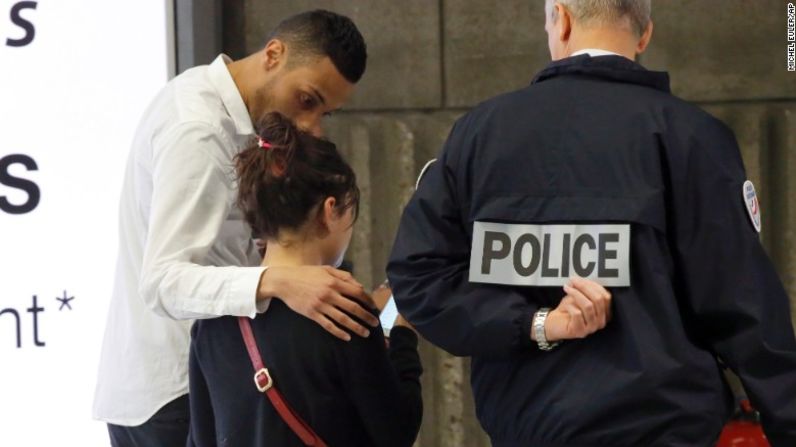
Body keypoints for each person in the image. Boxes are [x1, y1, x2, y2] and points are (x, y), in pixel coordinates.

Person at [386, 0, 796, 446]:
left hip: (525, 429)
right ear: (644, 35)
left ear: (559, 19)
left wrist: (534, 323)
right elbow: (745, 308)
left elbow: (417, 274)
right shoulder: (692, 137)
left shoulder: (480, 134)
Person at [93, 10, 379, 447]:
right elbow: (163, 280)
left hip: (204, 379)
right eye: (307, 99)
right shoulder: (198, 129)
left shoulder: (233, 117)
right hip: (175, 395)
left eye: (325, 112)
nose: (310, 125)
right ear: (274, 54)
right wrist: (280, 280)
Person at [188, 112, 423, 447]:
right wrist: (403, 337)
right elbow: (397, 431)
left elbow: (201, 439)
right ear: (330, 211)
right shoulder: (345, 311)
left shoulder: (213, 319)